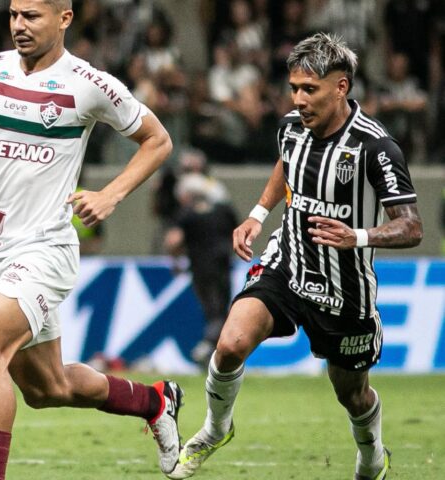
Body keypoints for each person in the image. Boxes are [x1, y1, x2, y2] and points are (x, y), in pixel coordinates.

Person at [0, 1, 181, 478]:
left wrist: (110, 194)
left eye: (32, 16)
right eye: (14, 14)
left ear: (64, 19)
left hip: (46, 249)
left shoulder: (88, 83)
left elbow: (158, 139)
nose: (19, 25)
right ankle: (155, 401)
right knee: (49, 389)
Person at [169, 33, 423, 480]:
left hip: (345, 289)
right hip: (288, 262)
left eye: (310, 90)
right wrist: (257, 214)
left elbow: (411, 225)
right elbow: (286, 164)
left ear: (341, 87)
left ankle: (371, 458)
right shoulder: (291, 127)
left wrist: (358, 235)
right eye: (294, 88)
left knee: (353, 395)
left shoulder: (376, 148)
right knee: (229, 345)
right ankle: (214, 429)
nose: (298, 100)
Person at [163, 172, 238, 367]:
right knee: (221, 308)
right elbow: (238, 232)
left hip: (201, 268)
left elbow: (173, 241)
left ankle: (206, 349)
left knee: (212, 311)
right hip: (223, 265)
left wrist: (175, 261)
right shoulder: (223, 209)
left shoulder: (186, 213)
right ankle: (214, 353)